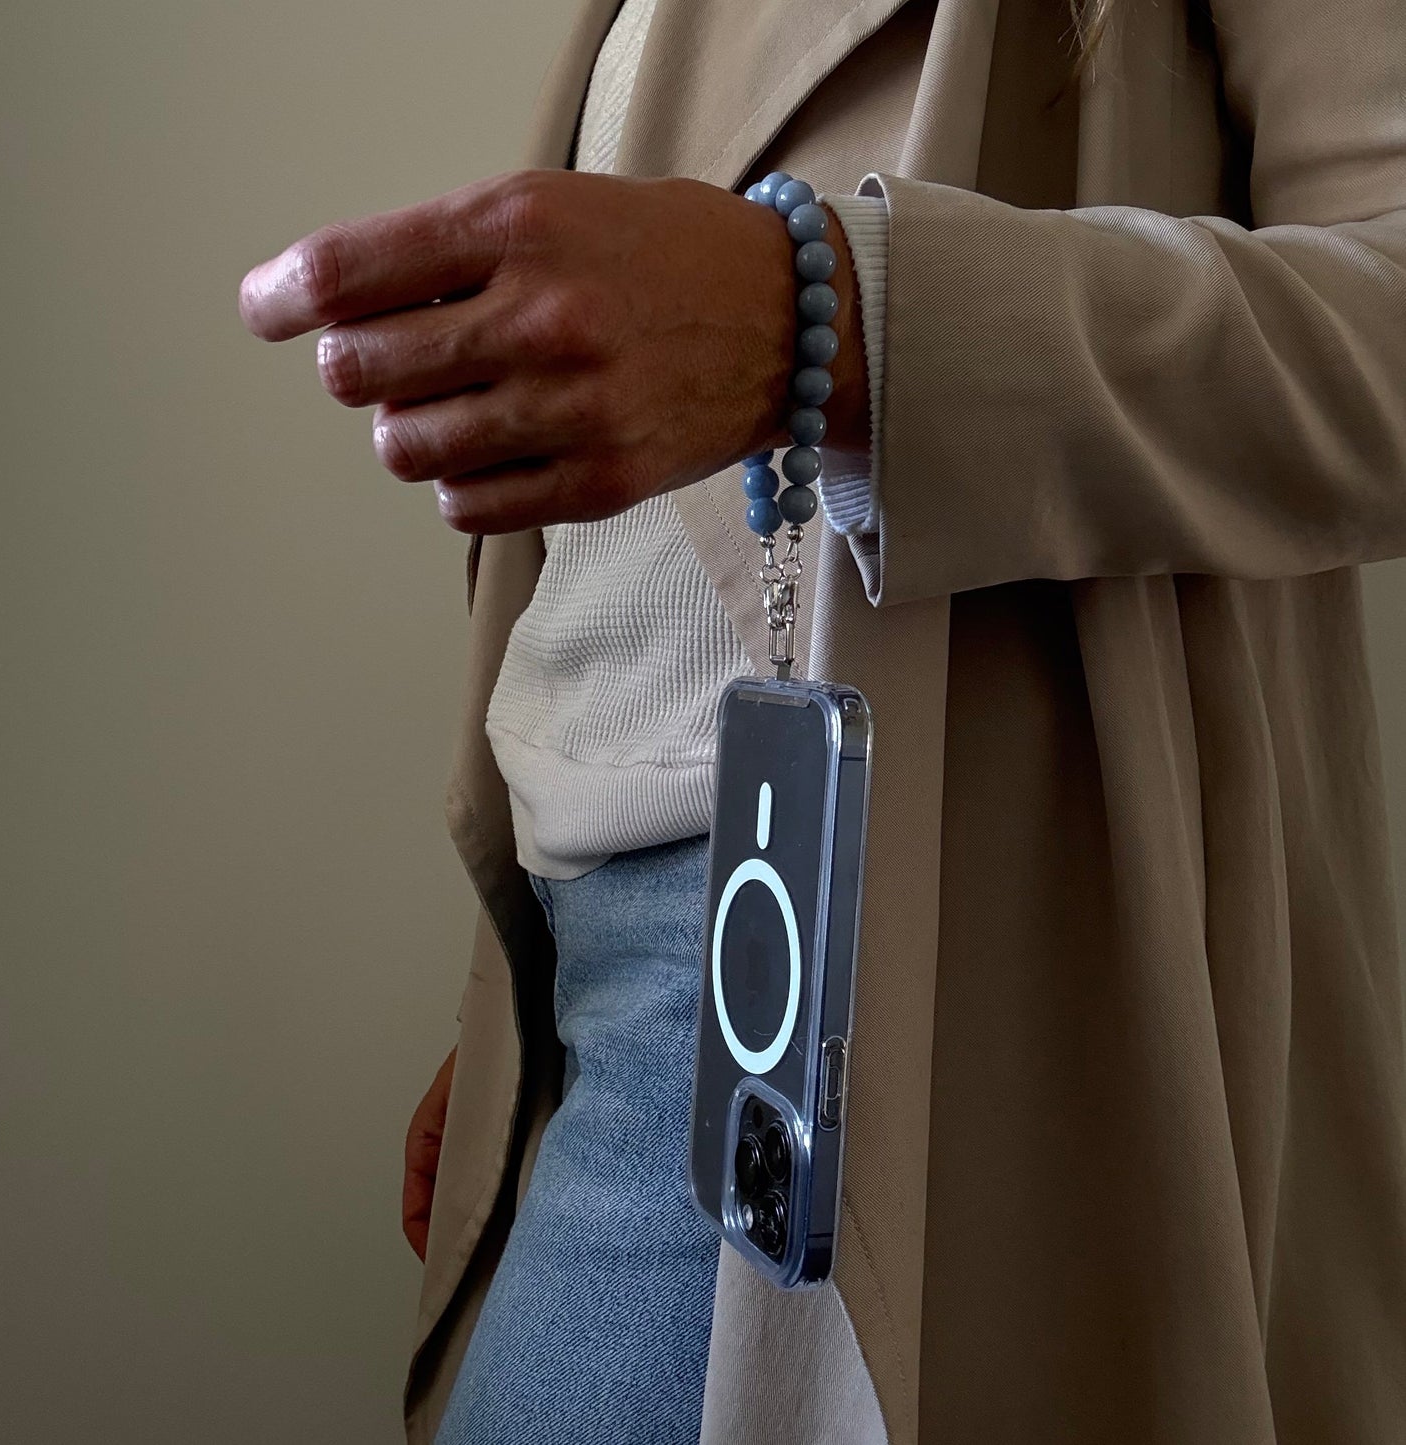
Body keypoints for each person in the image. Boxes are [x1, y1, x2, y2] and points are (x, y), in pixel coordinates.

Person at [238, 0, 1406, 1440]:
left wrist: (837, 315)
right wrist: (526, 1005)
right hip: (617, 986)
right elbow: (646, 583)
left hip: (915, 979)